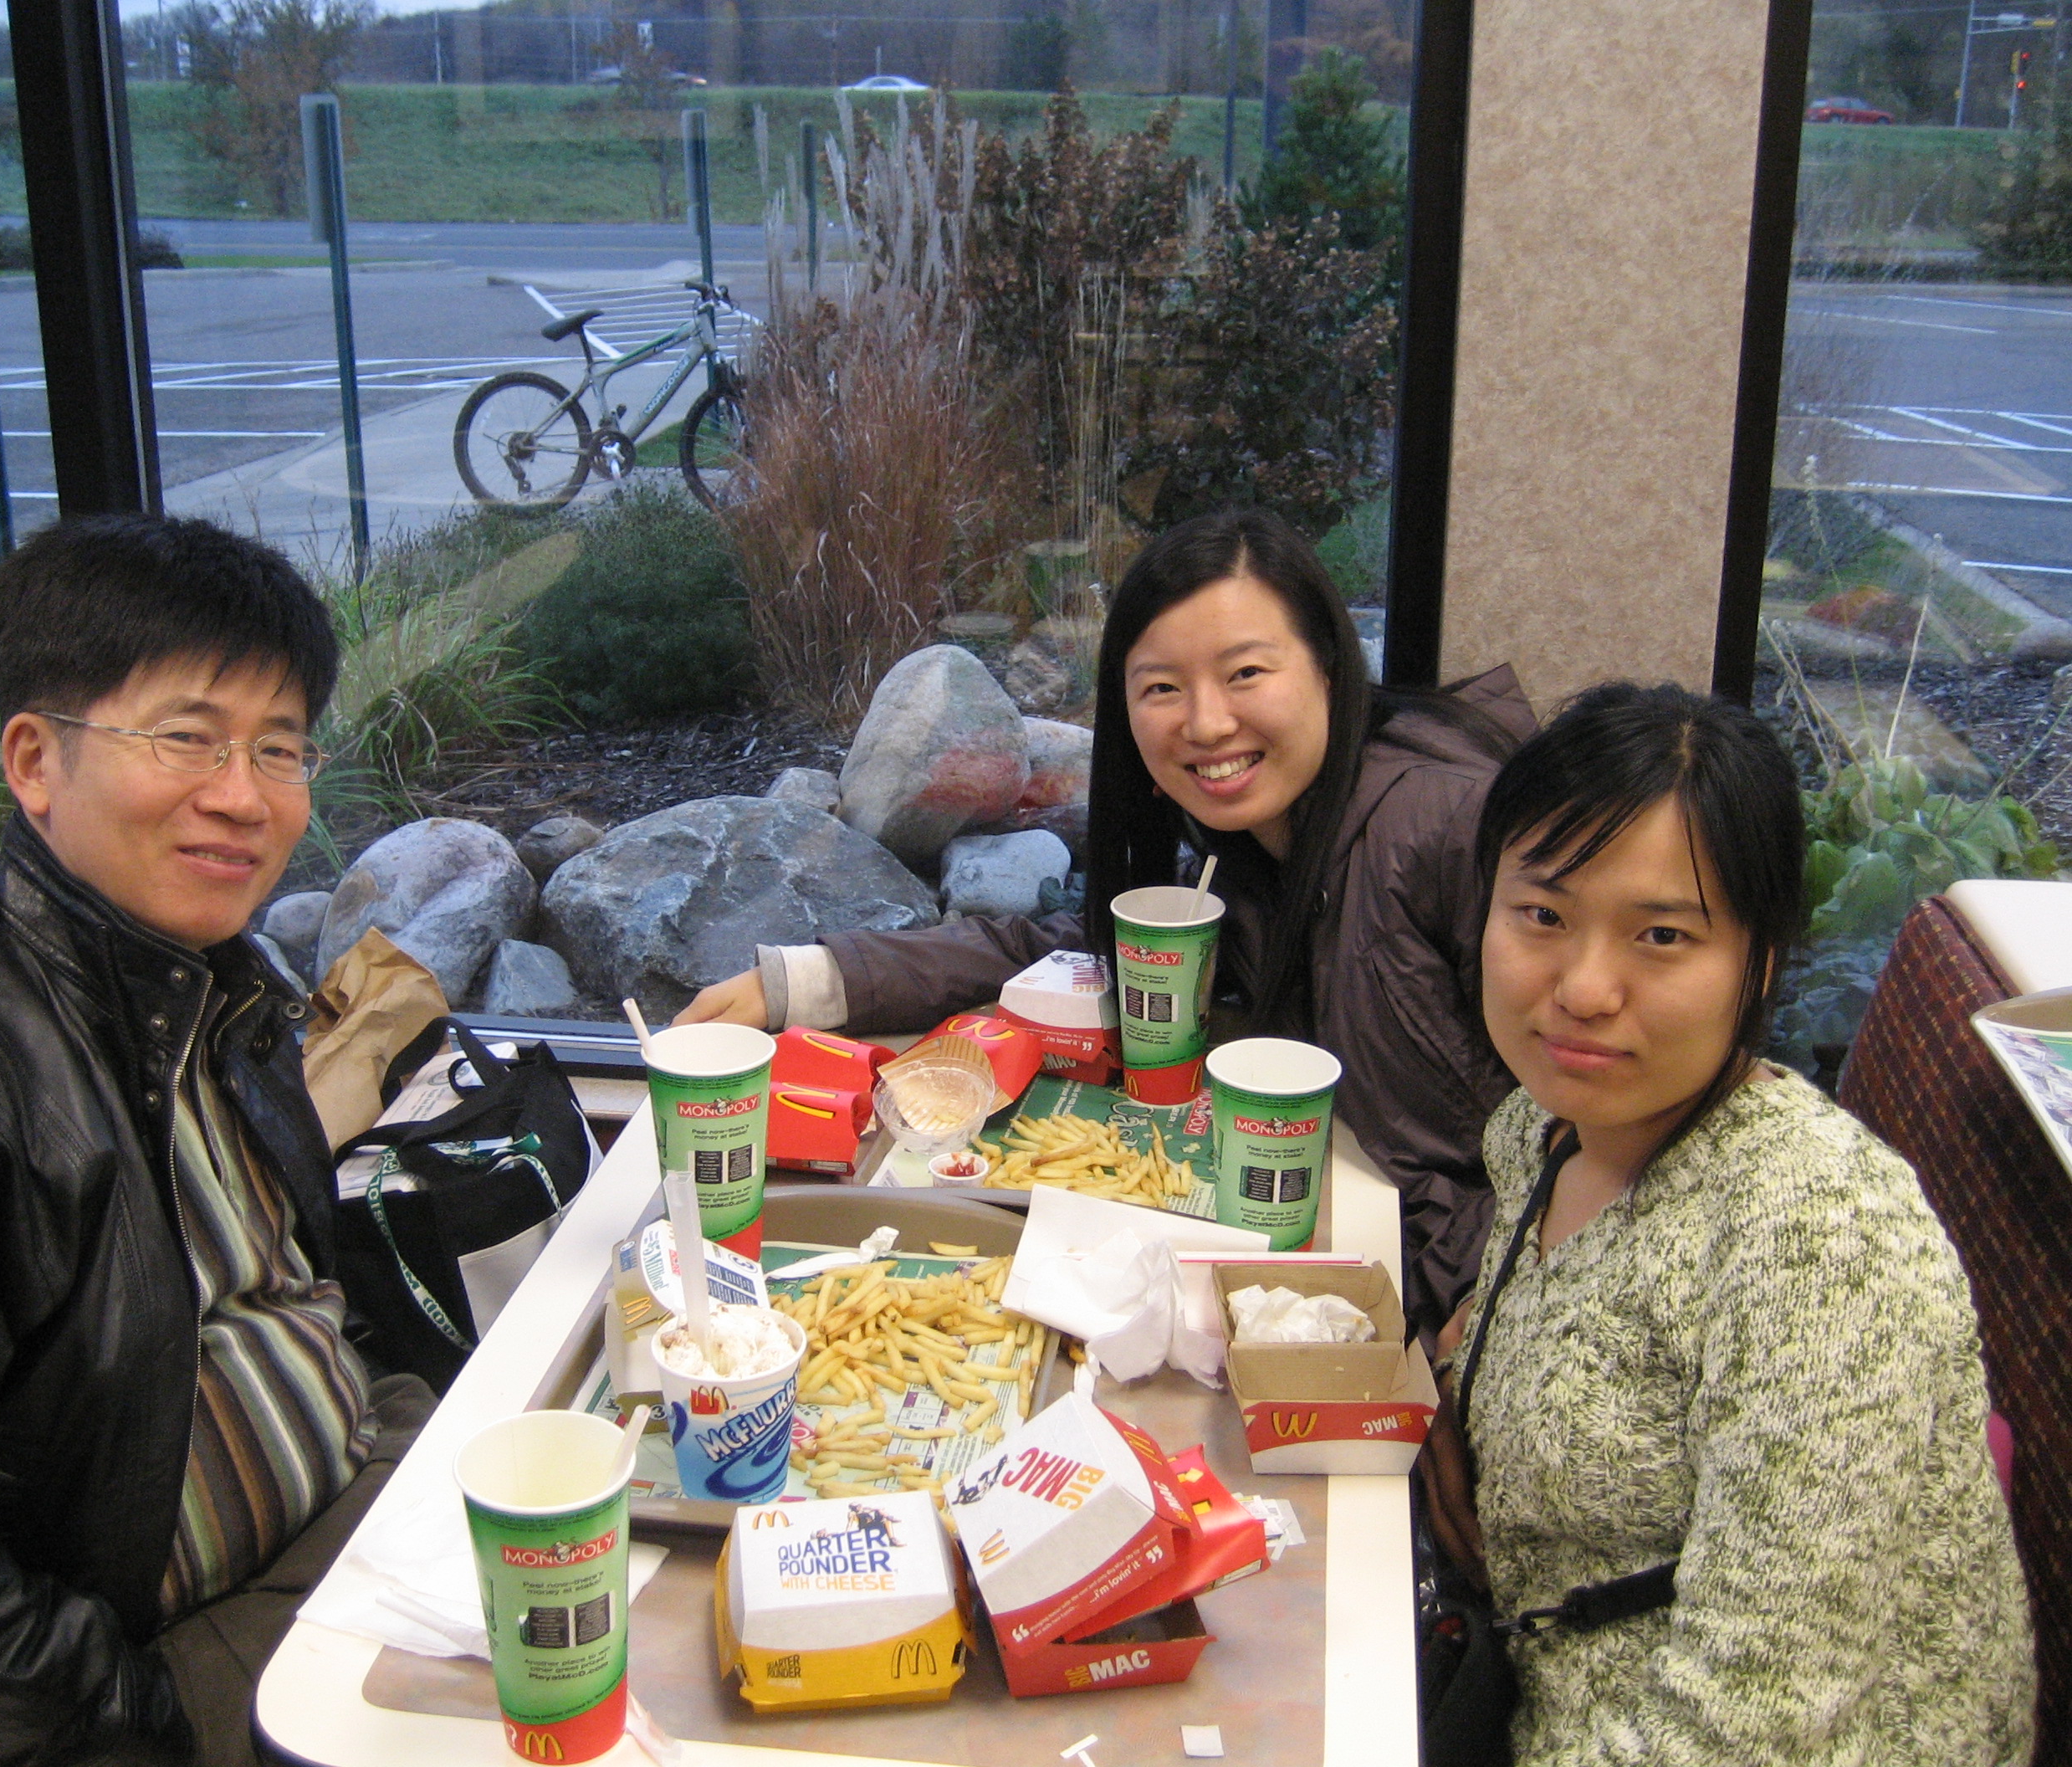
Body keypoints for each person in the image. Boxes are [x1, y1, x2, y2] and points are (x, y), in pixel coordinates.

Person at [0, 515, 432, 1767]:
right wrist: (135, 1723)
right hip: (153, 1668)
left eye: (278, 748)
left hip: (349, 1491)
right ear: (35, 760)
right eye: (187, 737)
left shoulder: (211, 984)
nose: (243, 796)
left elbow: (269, 1287)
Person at [678, 505, 1533, 1331]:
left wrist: (1478, 1316)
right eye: (1162, 687)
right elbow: (1079, 948)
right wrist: (809, 981)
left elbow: (1572, 1121)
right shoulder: (1255, 855)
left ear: (1330, 670)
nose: (1206, 722)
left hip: (1472, 1306)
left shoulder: (1446, 829)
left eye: (1245, 674)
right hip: (1368, 1266)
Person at [1420, 681, 2034, 1764]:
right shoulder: (1539, 1130)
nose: (1585, 988)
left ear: (1762, 959)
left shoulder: (1821, 1240)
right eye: (1543, 915)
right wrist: (1446, 1388)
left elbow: (1759, 1713)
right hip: (1530, 1672)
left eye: (1661, 934)